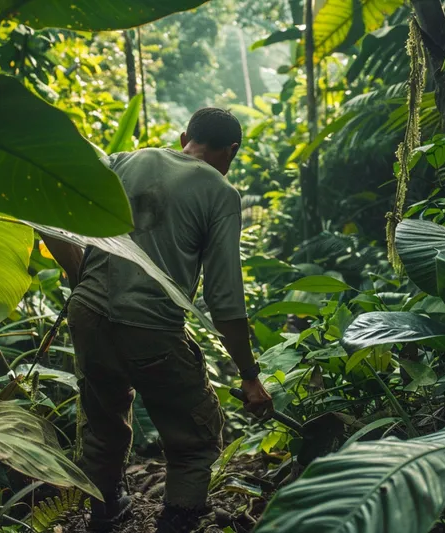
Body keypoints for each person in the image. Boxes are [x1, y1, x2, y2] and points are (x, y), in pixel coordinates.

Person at [43, 107, 273, 533]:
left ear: (185, 135)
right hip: (150, 327)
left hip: (87, 315)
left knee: (104, 421)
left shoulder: (124, 160)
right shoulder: (221, 193)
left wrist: (81, 278)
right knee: (196, 437)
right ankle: (177, 520)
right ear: (232, 151)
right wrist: (249, 374)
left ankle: (106, 509)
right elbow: (224, 299)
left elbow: (48, 208)